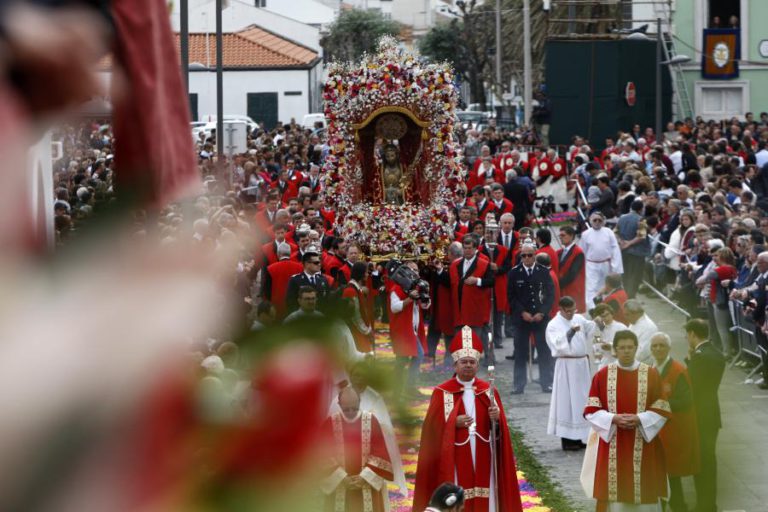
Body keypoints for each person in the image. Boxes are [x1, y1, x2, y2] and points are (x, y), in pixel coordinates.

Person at [413, 327, 524, 512]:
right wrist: (452, 423)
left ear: (477, 365)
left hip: (484, 457)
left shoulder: (488, 391)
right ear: (455, 365)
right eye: (463, 362)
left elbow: (499, 434)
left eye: (472, 362)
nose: (468, 365)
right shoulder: (442, 392)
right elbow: (431, 431)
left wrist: (496, 421)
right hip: (454, 458)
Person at [583, 330, 670, 512]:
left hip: (643, 442)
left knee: (645, 489)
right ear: (615, 350)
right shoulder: (602, 375)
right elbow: (591, 410)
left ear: (637, 348)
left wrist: (640, 418)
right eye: (622, 348)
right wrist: (613, 418)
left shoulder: (651, 374)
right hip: (614, 441)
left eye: (630, 347)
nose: (626, 351)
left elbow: (662, 407)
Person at [329, 363, 407, 497]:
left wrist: (366, 475)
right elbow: (327, 437)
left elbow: (385, 432)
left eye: (363, 376)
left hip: (369, 459)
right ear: (350, 376)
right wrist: (341, 476)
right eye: (356, 375)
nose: (359, 379)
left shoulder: (375, 398)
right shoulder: (338, 398)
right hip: (342, 460)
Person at [321, 387, 393, 512]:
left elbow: (380, 453)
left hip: (366, 485)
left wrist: (364, 477)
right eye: (346, 409)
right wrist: (341, 477)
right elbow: (323, 455)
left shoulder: (371, 421)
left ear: (360, 402)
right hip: (340, 485)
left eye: (354, 408)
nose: (350, 412)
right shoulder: (330, 423)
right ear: (339, 404)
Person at [649, 333, 699, 512]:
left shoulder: (678, 370)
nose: (658, 349)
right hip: (655, 430)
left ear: (669, 348)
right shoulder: (650, 369)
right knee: (658, 475)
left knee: (672, 475)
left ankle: (679, 507)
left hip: (673, 430)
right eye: (654, 346)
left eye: (662, 345)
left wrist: (660, 405)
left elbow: (686, 401)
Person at [684, 319, 725, 512]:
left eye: (687, 335)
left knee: (702, 462)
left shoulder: (699, 357)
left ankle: (705, 504)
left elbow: (692, 383)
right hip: (712, 413)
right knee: (709, 460)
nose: (686, 339)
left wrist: (689, 361)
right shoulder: (716, 353)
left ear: (692, 334)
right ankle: (708, 503)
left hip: (700, 414)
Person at [545, 296, 595, 450]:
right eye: (568, 311)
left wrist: (600, 320)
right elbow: (557, 344)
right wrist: (571, 332)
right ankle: (567, 440)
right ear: (560, 309)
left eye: (574, 310)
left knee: (581, 401)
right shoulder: (553, 325)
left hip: (581, 366)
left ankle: (579, 437)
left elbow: (591, 328)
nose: (572, 314)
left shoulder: (578, 317)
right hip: (566, 366)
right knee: (566, 401)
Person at [507, 243, 555, 394]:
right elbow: (511, 297)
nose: (527, 258)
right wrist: (522, 312)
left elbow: (550, 295)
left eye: (530, 255)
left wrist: (542, 312)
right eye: (524, 255)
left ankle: (546, 382)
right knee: (520, 352)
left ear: (535, 255)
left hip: (540, 318)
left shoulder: (543, 272)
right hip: (522, 319)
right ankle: (519, 384)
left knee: (544, 351)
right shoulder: (514, 273)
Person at [390, 260, 429, 398]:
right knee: (405, 359)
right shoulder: (396, 288)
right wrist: (410, 299)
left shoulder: (417, 287)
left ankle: (404, 388)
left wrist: (425, 299)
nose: (415, 273)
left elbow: (424, 306)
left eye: (417, 270)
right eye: (411, 270)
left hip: (412, 329)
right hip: (402, 331)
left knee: (408, 358)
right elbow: (394, 308)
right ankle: (404, 389)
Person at [449, 235, 494, 355]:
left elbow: (491, 282)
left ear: (475, 249)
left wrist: (477, 281)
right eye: (465, 248)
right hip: (459, 312)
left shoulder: (484, 264)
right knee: (461, 345)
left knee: (474, 345)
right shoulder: (455, 264)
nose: (467, 251)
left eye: (469, 248)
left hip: (475, 311)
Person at [579, 212, 623, 309]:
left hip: (606, 264)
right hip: (591, 264)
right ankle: (592, 309)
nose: (597, 222)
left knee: (605, 285)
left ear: (603, 221)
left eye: (600, 220)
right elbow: (582, 251)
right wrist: (581, 267)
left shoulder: (609, 232)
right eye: (595, 220)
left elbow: (615, 250)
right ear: (591, 221)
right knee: (591, 287)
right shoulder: (585, 234)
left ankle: (604, 306)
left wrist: (616, 267)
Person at [616, 199, 649, 298]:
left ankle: (625, 294)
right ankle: (630, 296)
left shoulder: (622, 217)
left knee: (625, 274)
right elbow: (641, 236)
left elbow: (615, 232)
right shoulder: (641, 219)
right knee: (635, 276)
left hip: (624, 252)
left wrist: (621, 241)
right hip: (637, 253)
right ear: (640, 209)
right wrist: (629, 243)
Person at [262, 242, 303, 320]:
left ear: (278, 254)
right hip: (295, 305)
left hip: (276, 306)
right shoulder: (300, 267)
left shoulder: (270, 268)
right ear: (290, 253)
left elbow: (266, 290)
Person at [342, 262, 375, 353]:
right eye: (366, 272)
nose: (367, 274)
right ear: (361, 274)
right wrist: (367, 331)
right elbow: (355, 316)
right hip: (356, 333)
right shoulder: (351, 291)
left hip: (359, 332)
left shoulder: (355, 289)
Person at [557, 225, 587, 313]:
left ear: (571, 236)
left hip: (573, 288)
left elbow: (572, 273)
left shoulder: (578, 252)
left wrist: (558, 284)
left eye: (563, 235)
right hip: (564, 288)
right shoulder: (561, 252)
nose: (560, 238)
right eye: (560, 236)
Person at [590, 303, 627, 368]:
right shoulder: (598, 330)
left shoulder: (621, 328)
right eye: (602, 316)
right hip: (604, 364)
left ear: (611, 313)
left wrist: (611, 347)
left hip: (619, 363)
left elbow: (626, 347)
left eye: (607, 314)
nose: (606, 318)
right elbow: (596, 350)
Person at [623, 300, 658, 364]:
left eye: (627, 315)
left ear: (636, 313)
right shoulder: (634, 322)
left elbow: (642, 353)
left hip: (644, 365)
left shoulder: (649, 327)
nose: (625, 318)